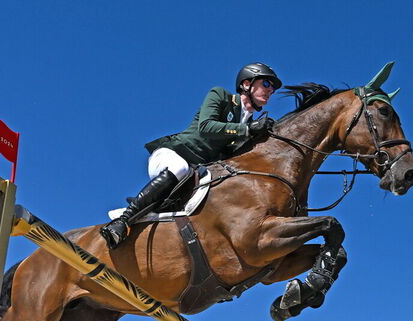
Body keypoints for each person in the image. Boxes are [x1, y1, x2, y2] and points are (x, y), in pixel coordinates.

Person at [99, 63, 283, 248]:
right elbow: (206, 127)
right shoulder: (221, 95)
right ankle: (122, 221)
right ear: (246, 84)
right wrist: (246, 129)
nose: (270, 90)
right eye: (266, 83)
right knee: (180, 168)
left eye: (273, 88)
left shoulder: (250, 124)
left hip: (198, 171)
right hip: (172, 154)